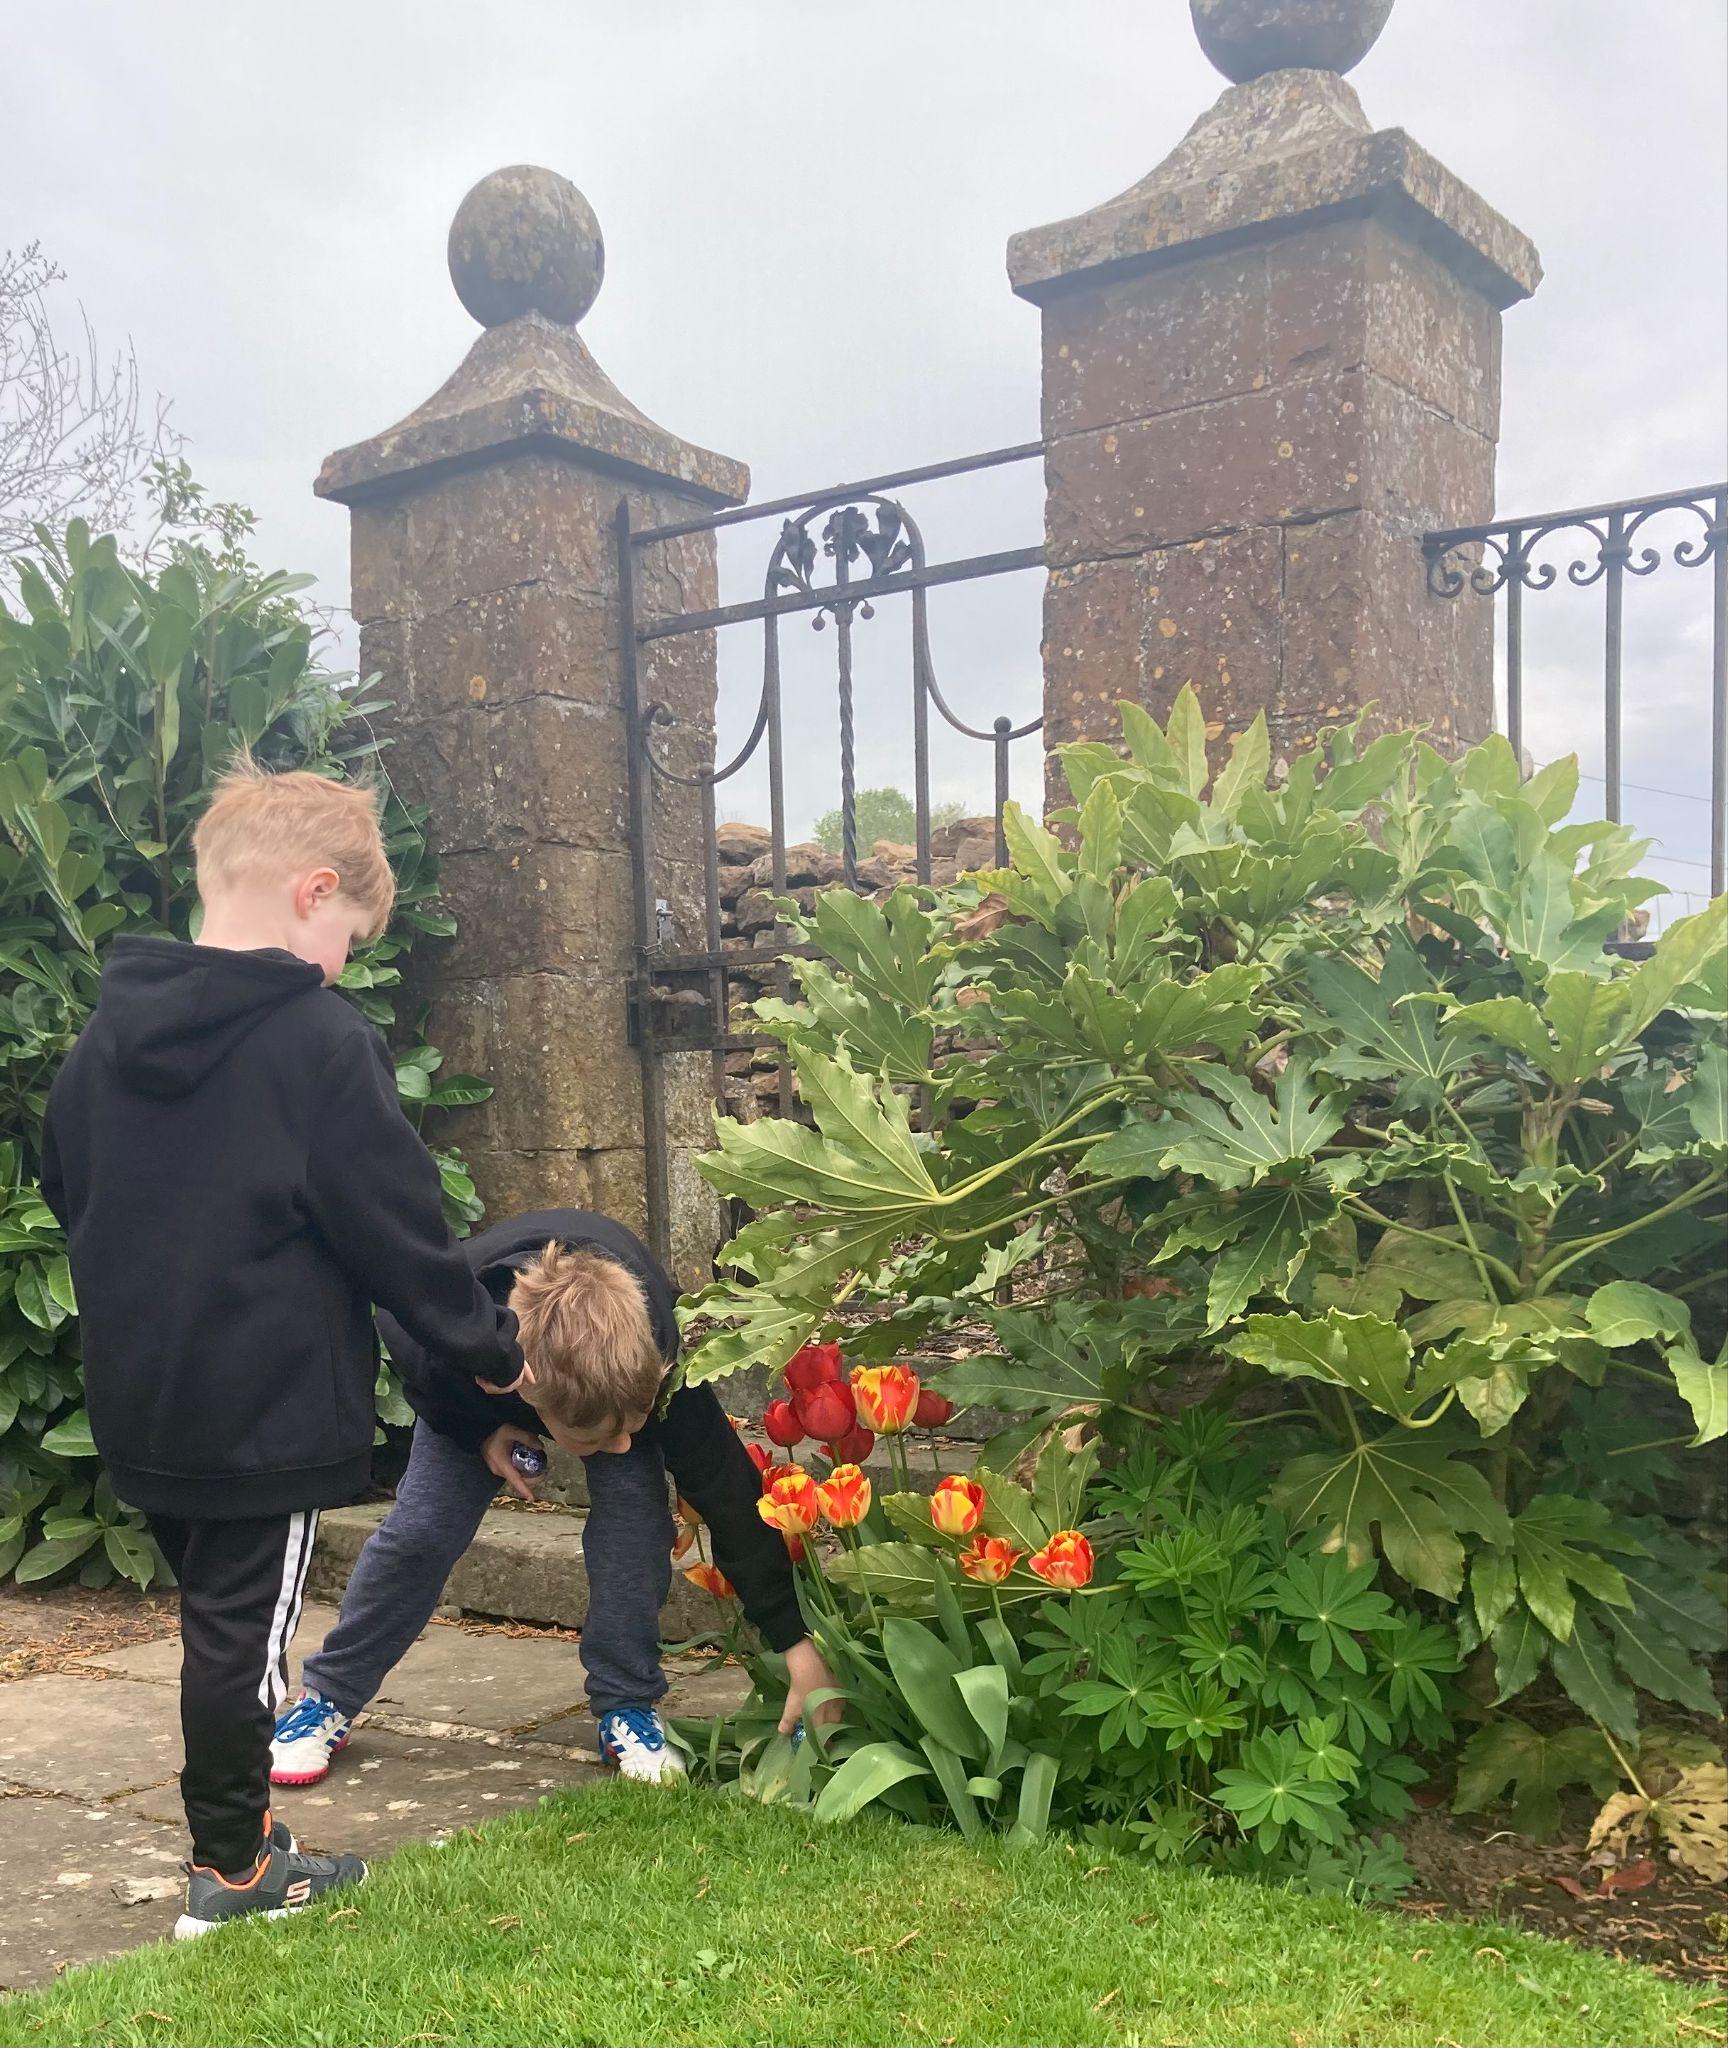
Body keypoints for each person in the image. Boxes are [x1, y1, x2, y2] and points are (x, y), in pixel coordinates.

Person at [41, 764, 529, 1938]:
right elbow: (401, 1234)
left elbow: (70, 1188)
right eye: (350, 940)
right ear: (316, 892)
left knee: (216, 1620)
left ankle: (247, 1838)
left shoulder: (103, 1043)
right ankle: (235, 1872)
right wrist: (495, 1354)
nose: (343, 967)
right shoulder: (316, 1040)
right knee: (242, 1642)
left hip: (145, 1399)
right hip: (265, 1410)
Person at [271, 1209, 835, 1788]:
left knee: (636, 1530)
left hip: (599, 1375)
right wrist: (479, 1431)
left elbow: (728, 1495)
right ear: (526, 1389)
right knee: (421, 1533)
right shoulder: (452, 1319)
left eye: (631, 1426)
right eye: (599, 1440)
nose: (618, 1447)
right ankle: (328, 1697)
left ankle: (627, 1705)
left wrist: (796, 1643)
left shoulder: (652, 1358)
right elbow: (403, 1334)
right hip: (473, 1388)